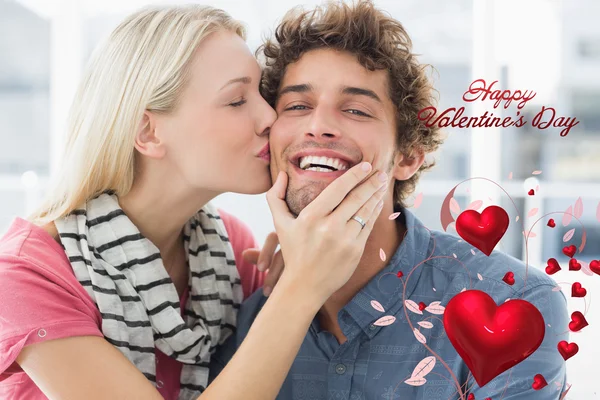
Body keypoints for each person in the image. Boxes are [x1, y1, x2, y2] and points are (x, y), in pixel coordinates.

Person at [0, 5, 390, 400]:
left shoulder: (232, 249)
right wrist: (302, 284)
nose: (269, 117)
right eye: (237, 100)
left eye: (263, 93)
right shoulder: (25, 276)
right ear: (149, 132)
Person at [209, 1, 569, 399]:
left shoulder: (516, 302)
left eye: (356, 110)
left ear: (408, 155)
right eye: (297, 106)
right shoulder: (248, 320)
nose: (319, 125)